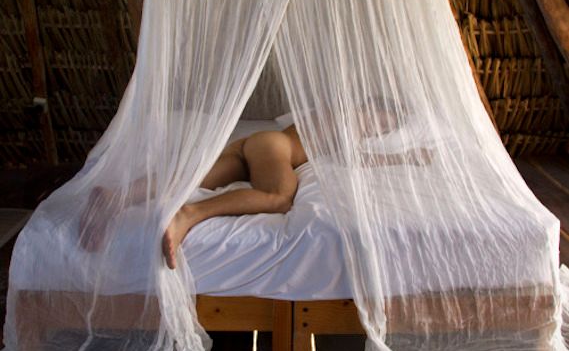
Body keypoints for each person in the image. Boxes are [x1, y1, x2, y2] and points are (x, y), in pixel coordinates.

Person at [79, 110, 433, 270]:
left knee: (192, 178)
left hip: (251, 145)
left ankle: (115, 198)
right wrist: (404, 156)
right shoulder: (348, 116)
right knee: (278, 198)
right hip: (275, 146)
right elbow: (353, 156)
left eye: (384, 129)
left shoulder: (325, 115)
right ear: (372, 108)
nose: (378, 130)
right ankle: (189, 215)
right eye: (383, 122)